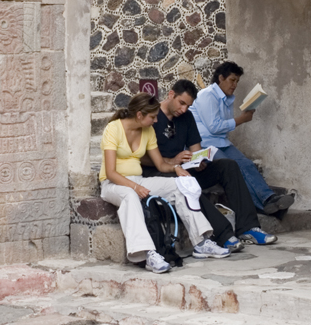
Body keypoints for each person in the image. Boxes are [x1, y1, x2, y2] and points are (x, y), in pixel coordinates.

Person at [98, 92, 230, 273]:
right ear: (139, 115)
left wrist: (176, 169)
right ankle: (148, 253)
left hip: (139, 180)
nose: (155, 121)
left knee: (179, 185)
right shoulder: (113, 129)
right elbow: (111, 173)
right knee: (130, 195)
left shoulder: (148, 131)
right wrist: (135, 187)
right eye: (152, 117)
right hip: (113, 184)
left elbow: (160, 164)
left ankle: (201, 242)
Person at [145, 79, 278, 248]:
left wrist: (198, 161)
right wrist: (172, 161)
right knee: (188, 183)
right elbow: (141, 156)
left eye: (188, 105)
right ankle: (224, 235)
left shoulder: (187, 116)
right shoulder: (152, 116)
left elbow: (196, 149)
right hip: (161, 172)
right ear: (171, 95)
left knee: (228, 166)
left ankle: (248, 228)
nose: (184, 109)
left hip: (184, 168)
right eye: (181, 103)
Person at [189, 61, 294, 215]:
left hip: (221, 142)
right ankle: (262, 206)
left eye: (237, 81)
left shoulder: (227, 99)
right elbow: (214, 127)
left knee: (247, 164)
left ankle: (269, 199)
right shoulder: (207, 95)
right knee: (233, 168)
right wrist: (242, 119)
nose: (235, 85)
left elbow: (222, 128)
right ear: (221, 78)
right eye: (232, 80)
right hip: (205, 145)